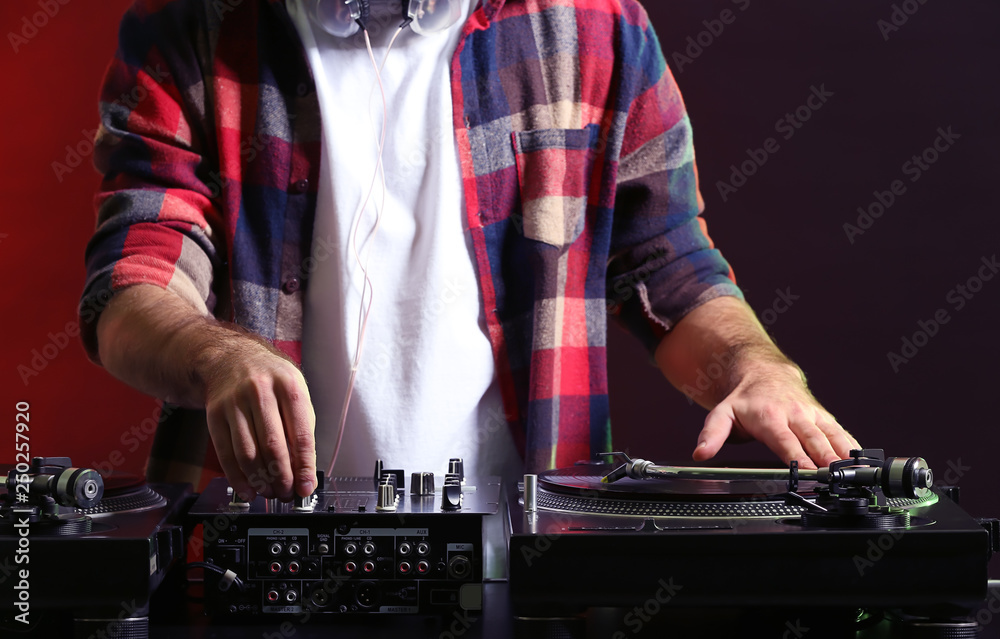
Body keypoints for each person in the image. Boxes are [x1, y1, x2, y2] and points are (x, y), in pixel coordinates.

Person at [81, 0, 859, 504]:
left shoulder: (594, 26)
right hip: (251, 559)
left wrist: (757, 369)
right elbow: (128, 291)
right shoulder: (185, 27)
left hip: (531, 567)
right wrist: (217, 357)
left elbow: (669, 267)